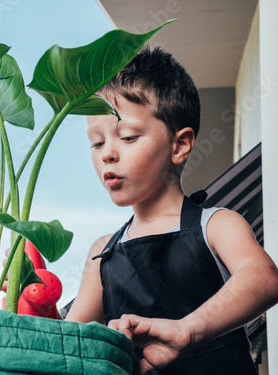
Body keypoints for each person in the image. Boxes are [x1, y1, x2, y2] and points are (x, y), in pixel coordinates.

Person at [64, 46, 278, 374]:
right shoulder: (102, 252)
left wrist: (188, 330)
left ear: (179, 145)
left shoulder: (217, 225)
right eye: (96, 143)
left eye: (128, 137)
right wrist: (33, 297)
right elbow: (71, 343)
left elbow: (263, 278)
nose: (107, 153)